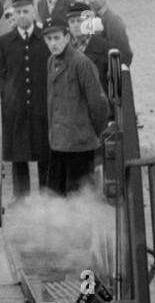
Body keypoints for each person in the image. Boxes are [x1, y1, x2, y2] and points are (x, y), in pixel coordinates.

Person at [43, 19, 111, 197]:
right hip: (58, 143)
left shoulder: (81, 63)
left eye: (57, 38)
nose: (53, 43)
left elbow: (99, 103)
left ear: (67, 37)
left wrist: (90, 132)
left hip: (79, 145)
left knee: (79, 199)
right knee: (57, 197)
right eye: (48, 39)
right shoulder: (51, 61)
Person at [0, 0, 49, 199]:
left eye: (26, 11)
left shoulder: (45, 37)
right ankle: (22, 199)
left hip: (41, 107)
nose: (22, 16)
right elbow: (2, 74)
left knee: (45, 153)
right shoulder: (5, 41)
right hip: (16, 108)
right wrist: (5, 101)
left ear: (34, 12)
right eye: (18, 12)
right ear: (13, 14)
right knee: (19, 156)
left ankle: (47, 197)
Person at [83, 0, 132, 65]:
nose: (92, 0)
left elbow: (125, 53)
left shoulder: (113, 21)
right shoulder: (89, 17)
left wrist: (113, 74)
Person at [68, 0, 110, 90]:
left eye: (79, 21)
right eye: (72, 21)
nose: (76, 25)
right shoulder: (63, 48)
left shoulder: (104, 47)